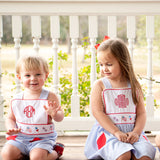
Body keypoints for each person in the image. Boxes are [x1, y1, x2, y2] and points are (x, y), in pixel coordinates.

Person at [84, 38, 156, 160]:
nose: (104, 69)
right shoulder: (100, 85)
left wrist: (136, 132)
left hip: (132, 132)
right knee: (123, 155)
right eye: (101, 64)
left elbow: (141, 113)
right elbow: (97, 112)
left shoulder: (133, 84)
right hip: (109, 133)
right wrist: (116, 131)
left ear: (122, 62)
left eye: (109, 64)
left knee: (145, 155)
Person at [1, 55, 64, 160]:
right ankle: (25, 153)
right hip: (20, 138)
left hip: (42, 139)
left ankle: (55, 152)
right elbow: (10, 118)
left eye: (38, 74)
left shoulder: (49, 96)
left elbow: (60, 117)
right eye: (27, 75)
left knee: (37, 157)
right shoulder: (17, 100)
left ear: (46, 76)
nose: (33, 78)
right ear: (20, 77)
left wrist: (54, 114)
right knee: (6, 154)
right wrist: (11, 128)